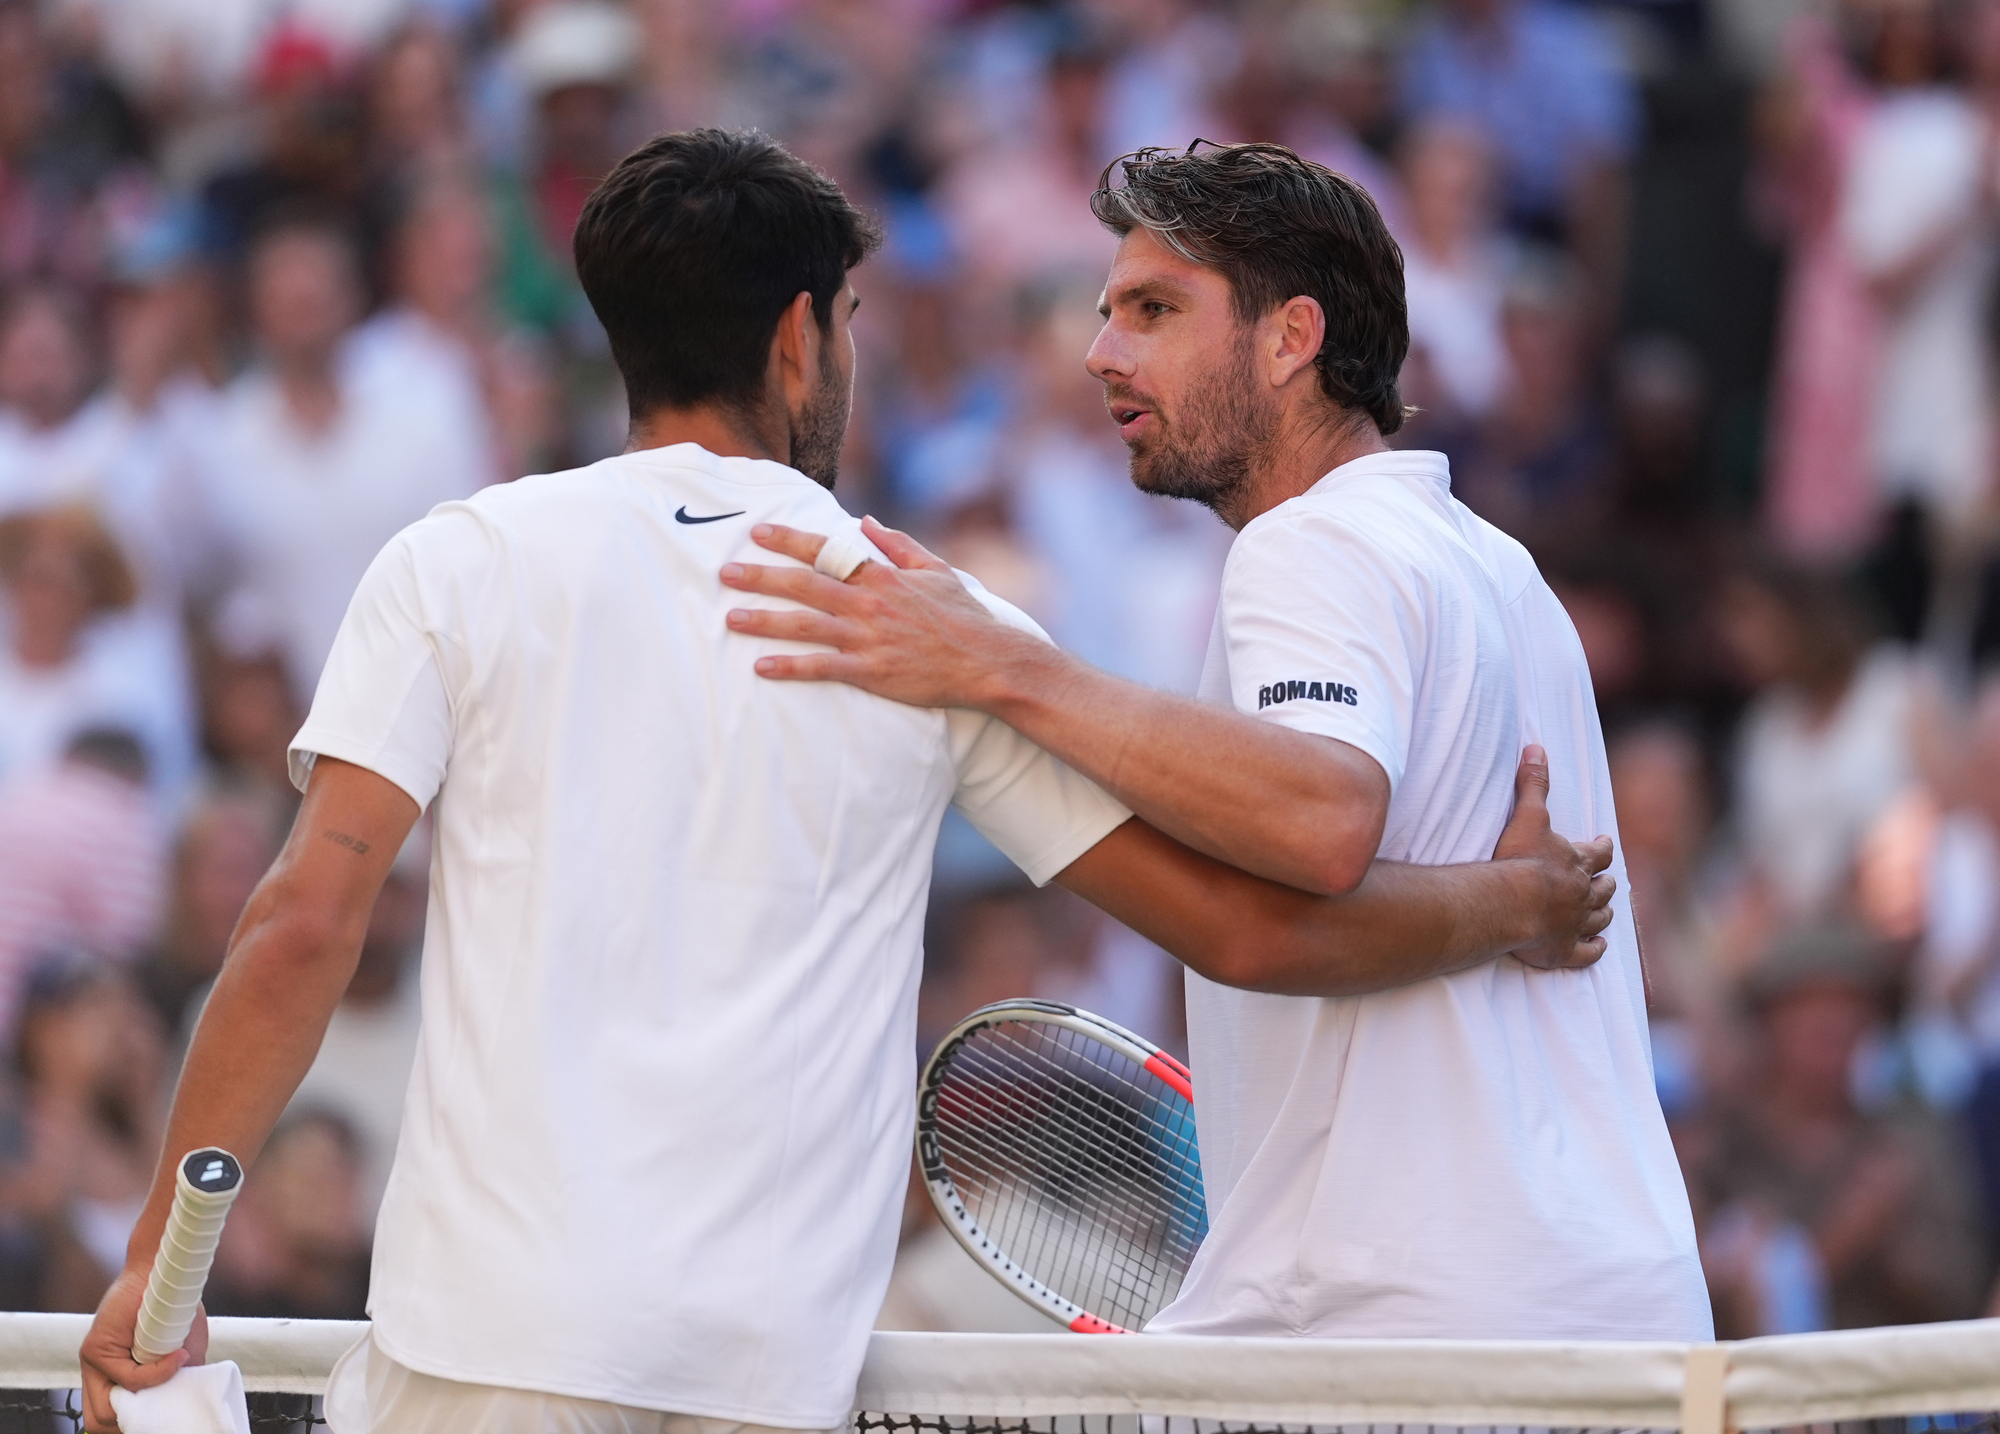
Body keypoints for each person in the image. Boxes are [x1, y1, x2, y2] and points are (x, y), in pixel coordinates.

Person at [80, 130, 1615, 1434]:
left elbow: (300, 923)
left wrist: (165, 1266)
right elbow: (1252, 931)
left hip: (480, 1353)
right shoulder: (926, 617)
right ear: (802, 339)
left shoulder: (458, 558)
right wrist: (1510, 904)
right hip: (764, 1379)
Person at [723, 140, 1711, 1340]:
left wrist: (1002, 664)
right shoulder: (1501, 570)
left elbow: (1320, 819)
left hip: (1407, 1325)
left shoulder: (1306, 543)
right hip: (1617, 1313)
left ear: (1290, 338)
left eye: (1153, 310)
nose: (1100, 352)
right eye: (1107, 313)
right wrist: (1506, 905)